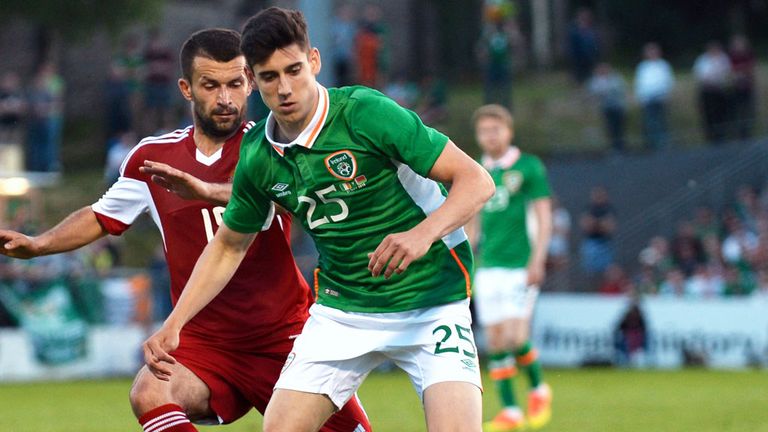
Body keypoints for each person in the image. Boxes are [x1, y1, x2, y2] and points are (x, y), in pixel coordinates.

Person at [0, 28, 370, 432]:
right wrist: (38, 245)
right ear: (186, 88)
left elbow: (292, 200)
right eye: (211, 85)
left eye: (235, 83)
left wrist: (208, 191)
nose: (225, 98)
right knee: (150, 392)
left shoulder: (276, 147)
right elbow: (102, 215)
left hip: (284, 336)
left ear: (249, 82)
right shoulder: (153, 157)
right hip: (203, 343)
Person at [143, 7, 494, 432]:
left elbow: (476, 181)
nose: (285, 88)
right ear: (254, 79)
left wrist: (421, 235)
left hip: (431, 300)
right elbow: (229, 245)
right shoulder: (257, 154)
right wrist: (174, 324)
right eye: (270, 77)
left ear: (314, 60)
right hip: (343, 311)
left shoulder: (364, 112)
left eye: (293, 70)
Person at [466, 104, 553, 431]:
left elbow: (543, 217)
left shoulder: (528, 167)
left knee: (517, 337)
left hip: (520, 264)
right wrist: (465, 260)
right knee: (496, 342)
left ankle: (539, 388)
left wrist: (538, 259)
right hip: (488, 268)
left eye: (495, 129)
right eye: (484, 131)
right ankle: (512, 412)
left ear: (508, 131)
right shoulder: (476, 170)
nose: (490, 136)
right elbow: (472, 224)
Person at [634, 42, 674, 150]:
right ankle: (654, 145)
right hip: (648, 98)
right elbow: (640, 84)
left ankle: (664, 144)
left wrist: (667, 94)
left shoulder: (663, 65)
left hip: (661, 96)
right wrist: (641, 97)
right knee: (651, 122)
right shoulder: (643, 67)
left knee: (662, 121)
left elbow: (668, 81)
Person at [692, 41, 732, 145]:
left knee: (721, 114)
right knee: (708, 115)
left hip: (719, 90)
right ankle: (711, 138)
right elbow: (700, 76)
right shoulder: (702, 60)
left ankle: (722, 136)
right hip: (707, 91)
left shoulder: (723, 58)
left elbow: (726, 72)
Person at [588, 62, 627, 153]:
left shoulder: (615, 78)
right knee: (610, 127)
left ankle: (621, 146)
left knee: (619, 127)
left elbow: (619, 89)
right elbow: (593, 91)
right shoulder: (596, 80)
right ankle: (614, 146)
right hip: (606, 108)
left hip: (617, 107)